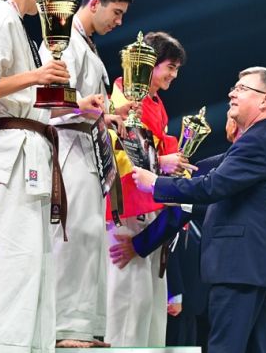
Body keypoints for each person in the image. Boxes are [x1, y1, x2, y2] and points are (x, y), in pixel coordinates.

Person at [0, 0, 103, 353]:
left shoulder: (20, 29)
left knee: (36, 262)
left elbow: (32, 98)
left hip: (34, 150)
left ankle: (30, 345)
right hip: (10, 152)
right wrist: (38, 74)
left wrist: (78, 105)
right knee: (11, 257)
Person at [133, 66, 266, 352]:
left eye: (243, 88)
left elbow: (212, 187)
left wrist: (155, 183)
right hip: (259, 268)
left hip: (242, 268)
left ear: (264, 99)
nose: (232, 93)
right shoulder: (265, 140)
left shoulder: (259, 141)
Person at [38, 0, 133, 348]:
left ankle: (86, 327)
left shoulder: (89, 47)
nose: (119, 21)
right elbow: (44, 102)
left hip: (89, 150)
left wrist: (107, 115)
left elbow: (87, 108)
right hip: (66, 150)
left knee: (90, 238)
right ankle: (63, 331)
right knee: (70, 239)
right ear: (94, 3)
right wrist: (84, 105)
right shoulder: (61, 42)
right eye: (117, 12)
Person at [105, 31, 192, 347]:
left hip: (152, 209)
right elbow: (120, 147)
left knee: (150, 311)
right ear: (149, 63)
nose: (173, 75)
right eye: (170, 66)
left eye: (177, 69)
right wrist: (162, 160)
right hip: (128, 208)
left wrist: (173, 163)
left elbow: (154, 150)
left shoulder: (156, 103)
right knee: (127, 307)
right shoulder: (124, 94)